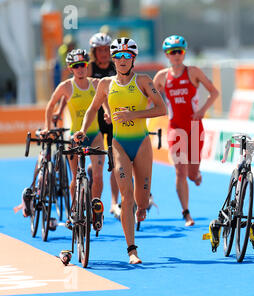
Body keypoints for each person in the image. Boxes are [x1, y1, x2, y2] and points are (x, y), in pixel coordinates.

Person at [73, 37, 167, 264]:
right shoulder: (105, 84)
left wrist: (132, 115)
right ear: (114, 59)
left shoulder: (143, 80)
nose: (122, 60)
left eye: (127, 56)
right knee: (126, 196)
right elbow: (92, 109)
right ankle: (132, 250)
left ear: (133, 59)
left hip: (142, 144)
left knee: (141, 201)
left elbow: (161, 108)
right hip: (119, 145)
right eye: (119, 56)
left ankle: (142, 209)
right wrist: (83, 131)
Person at [153, 35, 219, 227]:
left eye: (179, 51)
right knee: (180, 171)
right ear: (166, 54)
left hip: (194, 126)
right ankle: (186, 213)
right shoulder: (162, 77)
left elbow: (214, 92)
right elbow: (149, 97)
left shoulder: (193, 72)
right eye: (172, 52)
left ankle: (196, 175)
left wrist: (202, 110)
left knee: (191, 173)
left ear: (184, 53)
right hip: (175, 128)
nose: (176, 55)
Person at [41, 49, 105, 223]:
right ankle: (74, 211)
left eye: (83, 65)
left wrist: (107, 113)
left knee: (98, 176)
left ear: (87, 65)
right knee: (76, 177)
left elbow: (106, 103)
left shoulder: (97, 84)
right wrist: (48, 127)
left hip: (95, 135)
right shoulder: (66, 86)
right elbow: (50, 106)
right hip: (75, 137)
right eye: (76, 66)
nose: (80, 69)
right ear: (70, 68)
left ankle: (94, 210)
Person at [87, 32, 122, 218]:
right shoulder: (89, 68)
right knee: (98, 161)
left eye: (107, 49)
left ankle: (114, 202)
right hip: (95, 120)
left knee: (115, 162)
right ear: (94, 52)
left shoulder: (116, 67)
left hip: (113, 119)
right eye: (99, 50)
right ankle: (93, 170)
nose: (104, 53)